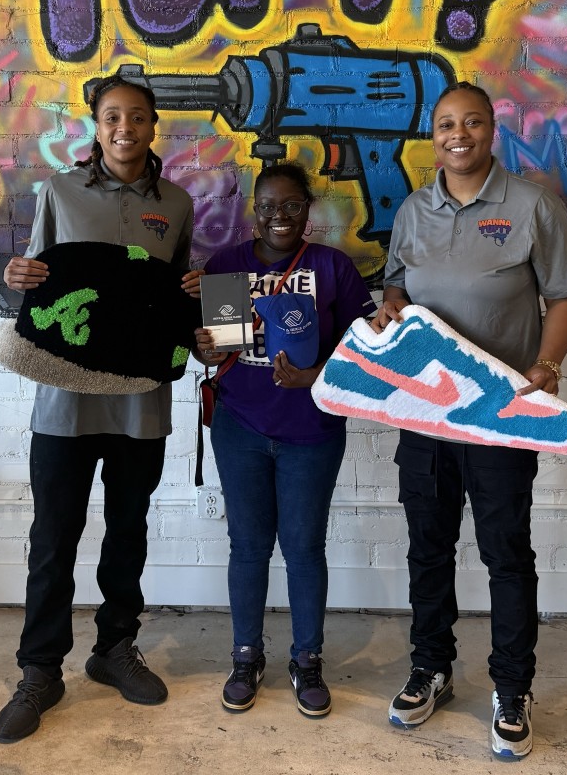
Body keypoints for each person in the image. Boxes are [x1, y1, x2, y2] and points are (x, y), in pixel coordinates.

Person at [371, 82, 567, 759]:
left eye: (471, 123)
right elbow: (396, 282)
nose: (458, 135)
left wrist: (545, 367)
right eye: (445, 125)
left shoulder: (533, 206)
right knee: (427, 549)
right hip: (424, 410)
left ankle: (512, 688)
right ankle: (430, 667)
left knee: (505, 555)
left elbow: (563, 296)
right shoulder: (412, 208)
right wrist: (391, 307)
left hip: (499, 416)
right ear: (434, 135)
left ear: (492, 129)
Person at [0, 73, 200, 744]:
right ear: (95, 123)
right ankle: (39, 669)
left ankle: (114, 649)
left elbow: (180, 294)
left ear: (152, 125)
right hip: (64, 399)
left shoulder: (175, 203)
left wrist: (197, 293)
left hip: (141, 400)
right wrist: (15, 275)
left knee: (128, 530)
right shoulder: (58, 191)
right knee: (52, 538)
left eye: (137, 117)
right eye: (112, 117)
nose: (124, 129)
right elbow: (35, 277)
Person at [194, 163, 375, 718]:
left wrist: (316, 374)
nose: (279, 216)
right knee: (247, 548)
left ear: (308, 208)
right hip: (241, 425)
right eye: (268, 205)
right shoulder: (226, 266)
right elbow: (217, 350)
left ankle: (307, 659)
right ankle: (246, 656)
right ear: (254, 207)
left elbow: (363, 351)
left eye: (292, 205)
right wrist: (202, 347)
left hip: (311, 431)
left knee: (303, 549)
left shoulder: (332, 267)